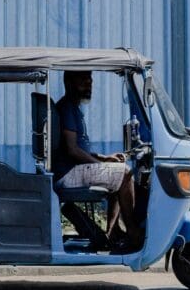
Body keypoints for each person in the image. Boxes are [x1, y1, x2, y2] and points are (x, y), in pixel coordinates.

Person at [53, 70, 143, 250]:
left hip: (73, 169)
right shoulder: (67, 107)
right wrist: (100, 165)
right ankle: (133, 232)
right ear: (68, 82)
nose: (89, 82)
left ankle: (113, 231)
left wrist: (105, 158)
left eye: (90, 78)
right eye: (82, 78)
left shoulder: (73, 107)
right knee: (125, 173)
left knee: (116, 170)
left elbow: (79, 149)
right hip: (68, 173)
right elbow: (72, 150)